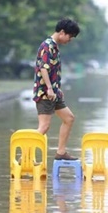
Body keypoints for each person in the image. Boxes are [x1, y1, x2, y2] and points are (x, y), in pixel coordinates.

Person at [33, 17, 80, 161]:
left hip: (54, 93)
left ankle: (61, 152)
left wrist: (57, 89)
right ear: (62, 32)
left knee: (69, 118)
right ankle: (26, 156)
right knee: (44, 127)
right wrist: (49, 88)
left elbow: (53, 70)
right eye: (70, 36)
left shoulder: (54, 46)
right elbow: (44, 69)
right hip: (46, 93)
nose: (69, 40)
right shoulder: (47, 46)